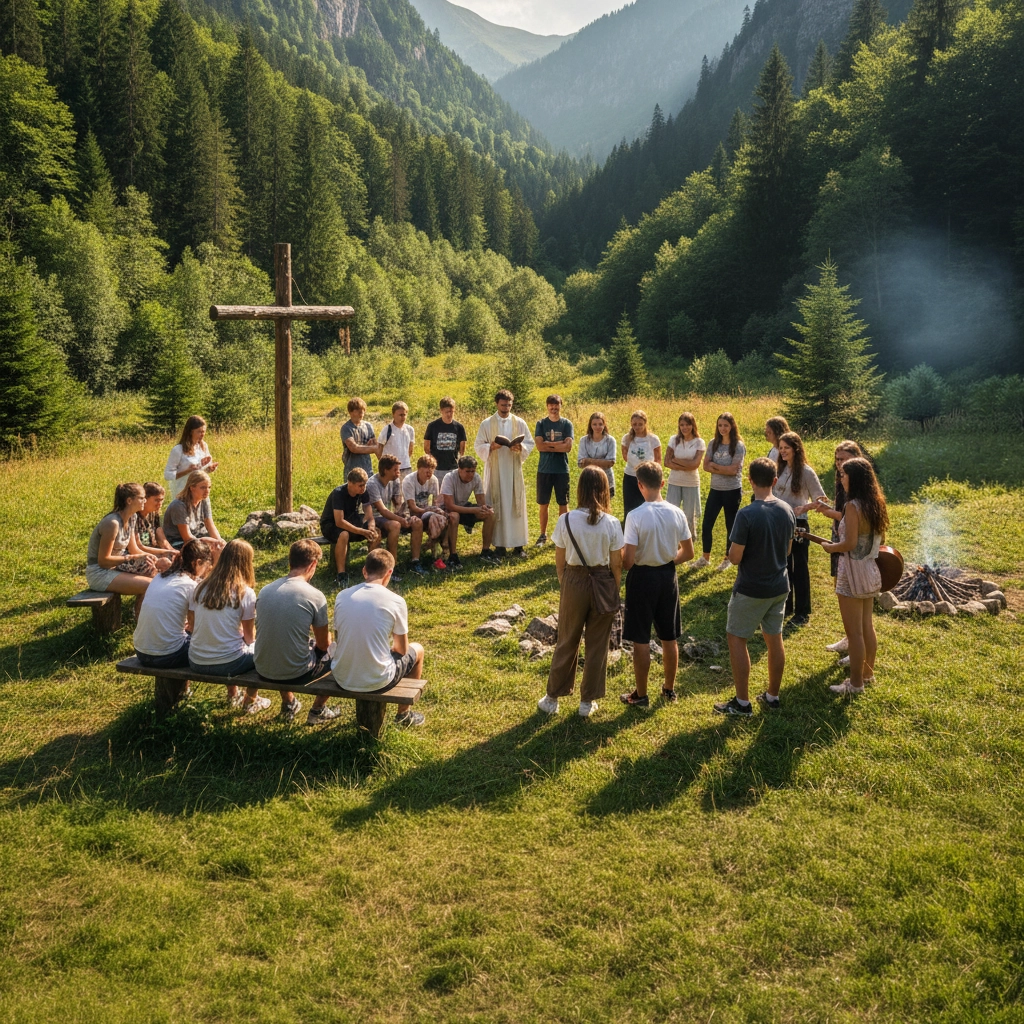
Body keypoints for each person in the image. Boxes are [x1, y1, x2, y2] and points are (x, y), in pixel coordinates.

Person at [538, 468, 624, 718]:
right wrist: (614, 587)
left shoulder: (566, 519)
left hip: (574, 579)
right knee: (597, 643)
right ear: (604, 490)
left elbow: (560, 557)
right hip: (603, 578)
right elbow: (616, 561)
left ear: (580, 488)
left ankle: (552, 697)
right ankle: (587, 702)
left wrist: (565, 582)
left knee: (567, 638)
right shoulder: (611, 522)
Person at [713, 458, 796, 717]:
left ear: (750, 480)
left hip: (751, 588)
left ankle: (742, 703)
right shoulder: (787, 509)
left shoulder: (746, 514)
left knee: (737, 639)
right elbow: (788, 549)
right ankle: (772, 696)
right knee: (775, 639)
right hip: (780, 585)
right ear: (774, 481)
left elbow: (735, 557)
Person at [619, 462, 694, 707]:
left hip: (641, 578)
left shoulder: (635, 515)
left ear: (639, 485)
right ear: (662, 483)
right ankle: (669, 689)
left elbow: (628, 561)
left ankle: (641, 695)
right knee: (669, 637)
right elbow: (689, 552)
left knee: (641, 639)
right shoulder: (676, 512)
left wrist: (619, 556)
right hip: (667, 576)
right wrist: (670, 559)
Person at [328, 549, 425, 727]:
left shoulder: (342, 596)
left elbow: (339, 639)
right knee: (417, 649)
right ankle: (404, 714)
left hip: (342, 676)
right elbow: (402, 650)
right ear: (389, 573)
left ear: (364, 571)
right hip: (377, 680)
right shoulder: (396, 600)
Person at [820, 457, 889, 696]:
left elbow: (848, 543)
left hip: (850, 572)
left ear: (855, 478)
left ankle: (855, 684)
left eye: (843, 475)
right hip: (870, 569)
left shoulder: (853, 506)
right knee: (867, 626)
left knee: (855, 633)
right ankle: (868, 674)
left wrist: (832, 547)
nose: (840, 479)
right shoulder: (876, 503)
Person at [254, 539, 335, 723]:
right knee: (335, 651)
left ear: (290, 561)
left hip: (263, 668)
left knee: (285, 641)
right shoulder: (314, 596)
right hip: (296, 673)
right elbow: (324, 645)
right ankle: (318, 710)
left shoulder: (265, 590)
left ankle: (289, 703)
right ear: (313, 564)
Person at [188, 538, 266, 712]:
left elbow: (196, 624)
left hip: (196, 660)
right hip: (228, 663)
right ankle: (251, 700)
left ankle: (233, 694)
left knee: (227, 639)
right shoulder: (245, 592)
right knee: (263, 652)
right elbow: (249, 637)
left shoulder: (201, 587)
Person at [809, 440, 869, 662]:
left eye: (843, 460)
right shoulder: (841, 480)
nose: (839, 465)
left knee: (849, 593)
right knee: (840, 588)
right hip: (839, 537)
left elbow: (848, 515)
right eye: (837, 460)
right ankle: (849, 638)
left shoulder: (859, 487)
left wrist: (828, 513)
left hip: (848, 545)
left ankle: (855, 646)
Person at [133, 539, 213, 669]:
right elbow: (195, 627)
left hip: (141, 652)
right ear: (197, 563)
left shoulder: (160, 576)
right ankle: (184, 690)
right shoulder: (190, 586)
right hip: (169, 655)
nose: (205, 571)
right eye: (205, 566)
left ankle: (183, 689)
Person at [474, 389, 535, 558]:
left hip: (513, 469)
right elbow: (478, 445)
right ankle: (499, 545)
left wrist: (520, 447)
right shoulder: (487, 423)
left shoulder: (519, 422)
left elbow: (529, 442)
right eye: (503, 405)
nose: (506, 408)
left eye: (509, 405)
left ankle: (518, 545)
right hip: (496, 470)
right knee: (497, 504)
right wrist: (490, 447)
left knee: (516, 505)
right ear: (496, 404)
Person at [773, 431, 826, 624]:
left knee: (800, 566)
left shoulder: (806, 471)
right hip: (780, 522)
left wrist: (806, 507)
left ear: (796, 448)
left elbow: (821, 499)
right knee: (783, 565)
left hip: (799, 524)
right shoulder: (780, 468)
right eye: (781, 448)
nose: (783, 451)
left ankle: (802, 611)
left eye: (786, 448)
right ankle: (786, 606)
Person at [85, 483, 160, 614]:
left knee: (156, 575)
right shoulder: (112, 524)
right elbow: (103, 561)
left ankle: (142, 618)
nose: (145, 501)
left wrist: (150, 556)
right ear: (129, 501)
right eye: (141, 498)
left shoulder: (132, 518)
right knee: (150, 586)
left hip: (117, 568)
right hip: (99, 573)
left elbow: (134, 550)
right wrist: (131, 558)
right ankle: (141, 624)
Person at [365, 455, 427, 577]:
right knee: (395, 525)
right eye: (395, 470)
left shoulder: (395, 480)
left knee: (417, 522)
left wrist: (407, 517)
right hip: (373, 517)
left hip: (389, 515)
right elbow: (382, 510)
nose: (398, 472)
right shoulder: (372, 484)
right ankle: (392, 566)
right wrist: (400, 520)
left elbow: (398, 504)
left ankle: (415, 561)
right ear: (385, 470)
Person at [698, 412, 745, 571]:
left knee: (730, 525)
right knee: (707, 524)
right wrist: (724, 468)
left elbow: (733, 471)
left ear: (732, 426)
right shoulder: (713, 443)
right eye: (720, 425)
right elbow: (705, 466)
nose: (723, 428)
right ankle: (705, 557)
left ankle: (727, 558)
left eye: (726, 425)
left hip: (732, 490)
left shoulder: (738, 445)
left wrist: (715, 466)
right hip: (715, 490)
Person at [320, 467, 380, 589]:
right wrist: (361, 531)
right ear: (350, 483)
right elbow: (339, 521)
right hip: (330, 524)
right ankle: (341, 574)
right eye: (360, 485)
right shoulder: (339, 493)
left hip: (351, 520)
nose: (363, 488)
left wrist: (371, 527)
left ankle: (371, 568)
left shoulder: (363, 492)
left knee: (377, 532)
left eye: (364, 485)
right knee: (344, 534)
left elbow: (370, 516)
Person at [440, 455, 495, 567]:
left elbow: (481, 501)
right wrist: (474, 510)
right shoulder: (449, 478)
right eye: (467, 471)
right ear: (459, 469)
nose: (470, 474)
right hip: (446, 509)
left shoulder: (476, 478)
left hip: (464, 506)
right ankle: (453, 555)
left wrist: (484, 509)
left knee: (490, 515)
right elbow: (450, 506)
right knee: (454, 516)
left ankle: (485, 551)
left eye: (472, 471)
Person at [534, 394, 574, 546]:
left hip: (561, 470)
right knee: (543, 503)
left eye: (556, 406)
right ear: (547, 406)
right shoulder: (541, 423)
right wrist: (559, 444)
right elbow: (539, 446)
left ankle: (563, 534)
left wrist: (549, 445)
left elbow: (568, 447)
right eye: (551, 406)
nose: (554, 408)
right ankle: (543, 535)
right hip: (544, 469)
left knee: (563, 502)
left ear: (560, 406)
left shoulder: (566, 424)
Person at [161, 470, 226, 561]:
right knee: (210, 555)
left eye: (209, 487)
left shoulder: (204, 500)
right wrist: (209, 542)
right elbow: (187, 538)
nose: (207, 491)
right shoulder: (179, 505)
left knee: (224, 550)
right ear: (192, 487)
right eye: (203, 487)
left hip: (199, 538)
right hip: (180, 543)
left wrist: (219, 541)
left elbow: (209, 524)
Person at [402, 454, 449, 571]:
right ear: (419, 469)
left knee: (443, 517)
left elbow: (435, 502)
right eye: (426, 472)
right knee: (435, 517)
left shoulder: (433, 480)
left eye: (431, 472)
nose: (429, 475)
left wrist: (435, 509)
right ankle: (434, 554)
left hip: (425, 512)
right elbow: (412, 507)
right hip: (409, 513)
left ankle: (438, 549)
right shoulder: (409, 480)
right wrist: (430, 510)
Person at [664, 412, 706, 540]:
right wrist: (685, 465)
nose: (684, 428)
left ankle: (690, 539)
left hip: (691, 482)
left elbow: (694, 465)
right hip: (674, 481)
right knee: (672, 511)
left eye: (687, 424)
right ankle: (673, 537)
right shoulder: (674, 440)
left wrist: (676, 460)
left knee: (689, 513)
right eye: (682, 425)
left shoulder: (699, 442)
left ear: (693, 425)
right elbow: (666, 462)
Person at [164, 415, 218, 499]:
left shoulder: (203, 446)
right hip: (183, 492)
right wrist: (188, 471)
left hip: (201, 493)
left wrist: (209, 469)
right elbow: (167, 475)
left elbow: (200, 472)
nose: (202, 434)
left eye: (203, 431)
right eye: (199, 432)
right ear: (190, 432)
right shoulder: (178, 450)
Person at [620, 410, 661, 520]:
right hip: (630, 476)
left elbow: (657, 460)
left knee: (647, 505)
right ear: (631, 424)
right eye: (634, 424)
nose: (637, 427)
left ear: (645, 423)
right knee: (630, 507)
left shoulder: (653, 439)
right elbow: (625, 457)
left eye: (640, 424)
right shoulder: (626, 439)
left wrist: (652, 474)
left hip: (648, 477)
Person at [423, 397, 467, 487]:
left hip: (453, 467)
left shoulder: (459, 427)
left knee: (453, 494)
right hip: (437, 468)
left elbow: (462, 449)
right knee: (438, 495)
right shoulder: (432, 426)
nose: (449, 414)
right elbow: (427, 447)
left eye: (452, 411)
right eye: (447, 412)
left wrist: (458, 460)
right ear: (441, 411)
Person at [577, 411, 617, 498]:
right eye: (594, 424)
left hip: (606, 479)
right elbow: (580, 463)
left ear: (604, 425)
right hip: (589, 479)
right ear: (590, 425)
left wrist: (588, 461)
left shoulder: (610, 440)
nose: (597, 427)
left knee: (605, 507)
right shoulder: (584, 440)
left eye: (600, 424)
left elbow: (610, 463)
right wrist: (602, 462)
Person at [341, 397, 380, 478]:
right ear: (351, 412)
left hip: (367, 468)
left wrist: (384, 464)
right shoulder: (346, 428)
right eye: (358, 411)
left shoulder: (368, 426)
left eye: (362, 411)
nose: (361, 414)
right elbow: (353, 448)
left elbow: (376, 446)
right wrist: (372, 448)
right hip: (352, 469)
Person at [380, 401, 415, 479]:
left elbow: (410, 449)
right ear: (393, 414)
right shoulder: (387, 429)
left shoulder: (410, 430)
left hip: (406, 467)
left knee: (405, 490)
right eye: (400, 415)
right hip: (390, 469)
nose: (402, 417)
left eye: (404, 415)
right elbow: (379, 448)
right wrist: (385, 465)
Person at [136, 483, 173, 555]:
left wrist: (171, 550)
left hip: (153, 549)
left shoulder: (154, 513)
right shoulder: (134, 517)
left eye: (161, 500)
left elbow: (159, 533)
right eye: (156, 500)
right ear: (145, 499)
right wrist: (166, 552)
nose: (160, 503)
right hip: (140, 553)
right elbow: (139, 547)